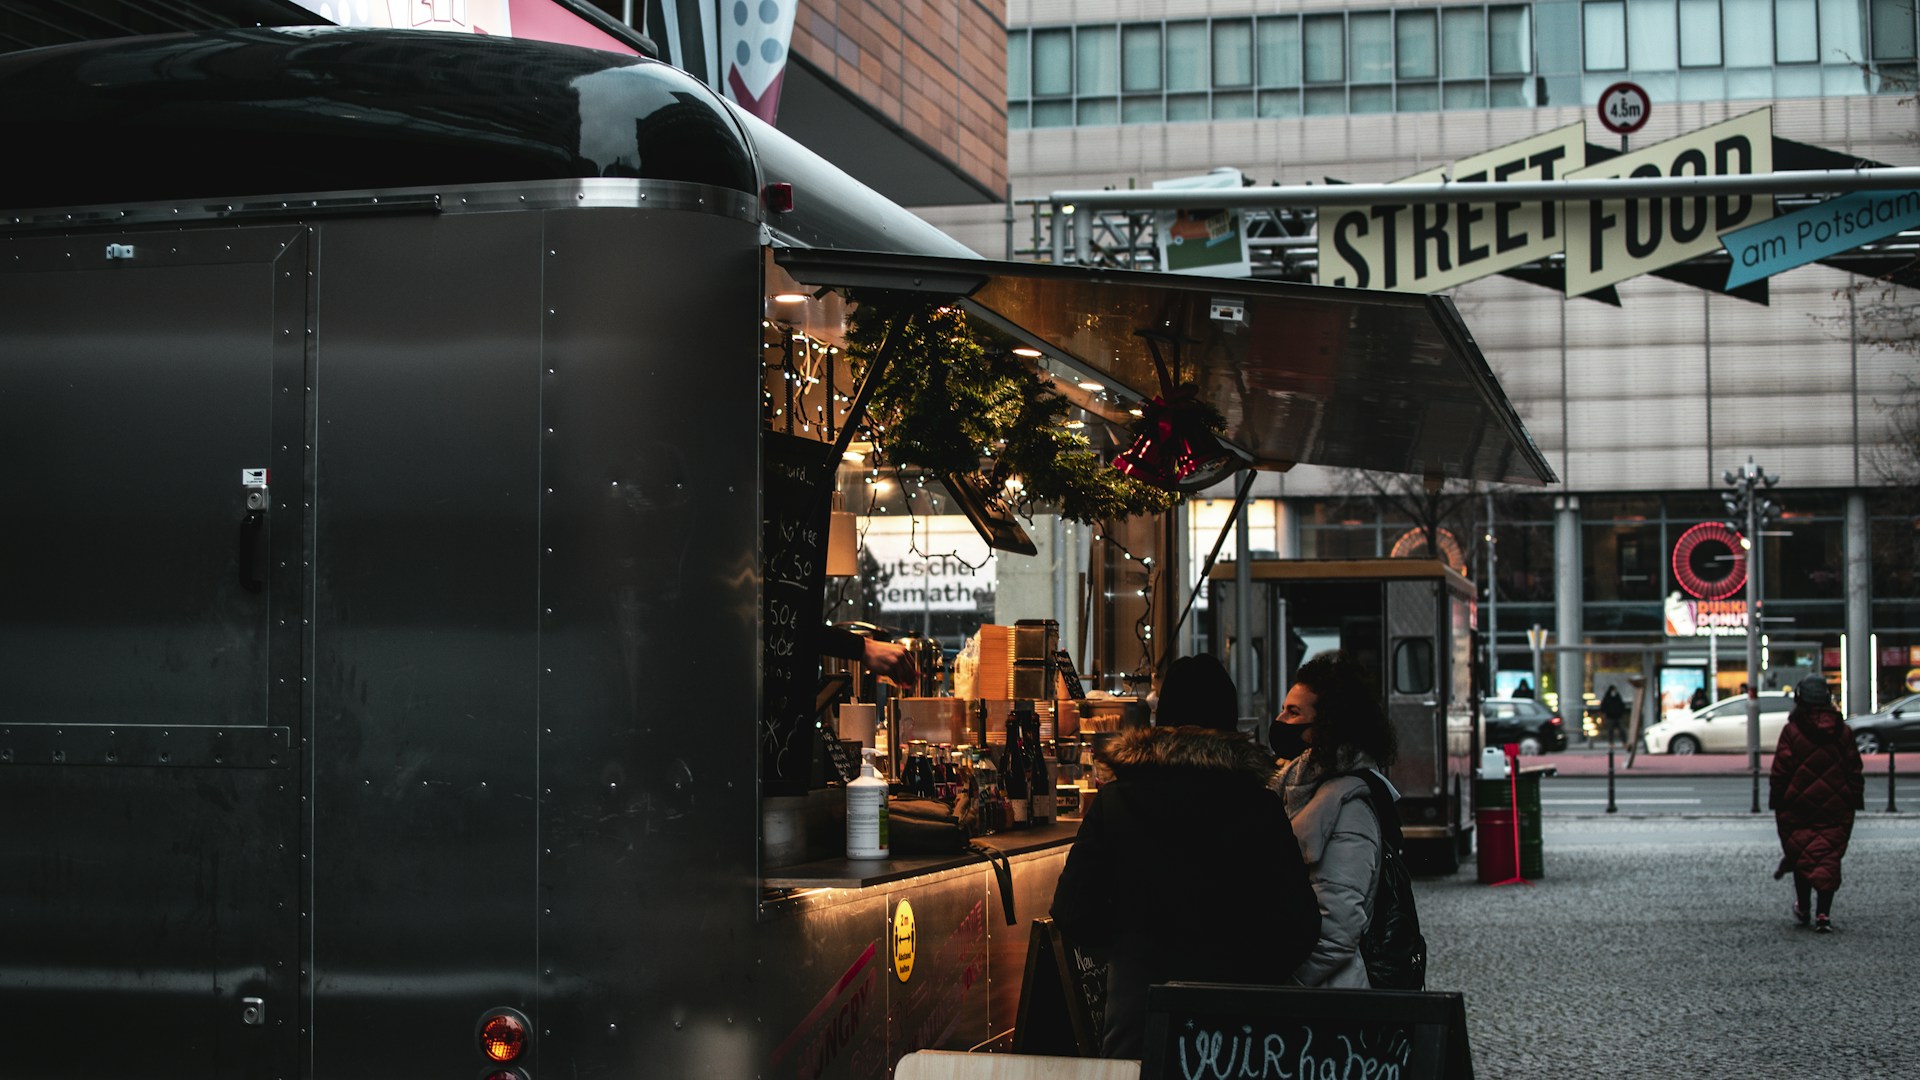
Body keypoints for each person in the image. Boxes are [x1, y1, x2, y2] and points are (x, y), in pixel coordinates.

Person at [1050, 654, 1319, 1058]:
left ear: (1162, 722)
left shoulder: (1116, 803)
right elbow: (1300, 924)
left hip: (1139, 1022)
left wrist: (1133, 945)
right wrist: (1246, 968)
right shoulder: (1259, 807)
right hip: (1237, 1034)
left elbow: (1072, 911)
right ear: (1230, 725)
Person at [1270, 650, 1398, 988]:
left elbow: (1337, 931)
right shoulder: (1297, 786)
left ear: (1327, 725)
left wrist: (1280, 987)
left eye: (1293, 712)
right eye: (1283, 708)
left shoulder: (1348, 807)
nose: (1280, 719)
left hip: (1329, 1003)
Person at [1770, 674, 1863, 933]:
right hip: (1837, 804)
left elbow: (1780, 770)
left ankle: (1804, 908)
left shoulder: (1791, 731)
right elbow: (1853, 768)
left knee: (1803, 854)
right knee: (1828, 856)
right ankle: (1824, 914)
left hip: (1797, 805)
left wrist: (1777, 798)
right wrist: (1855, 797)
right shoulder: (1842, 731)